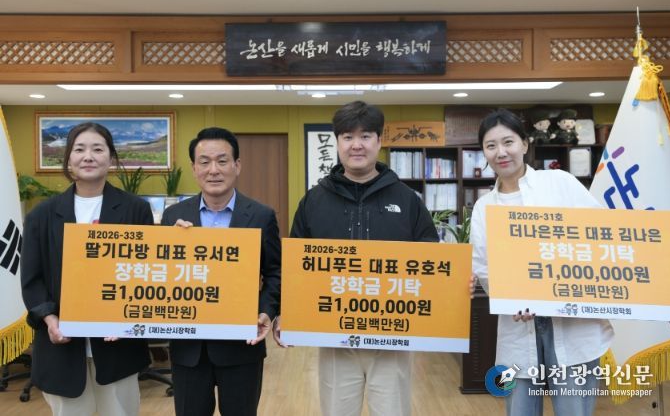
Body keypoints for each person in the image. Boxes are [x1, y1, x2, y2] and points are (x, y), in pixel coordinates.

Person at [275, 101, 438, 416]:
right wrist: (287, 313)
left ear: (379, 140)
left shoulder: (407, 199)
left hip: (393, 337)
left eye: (365, 136)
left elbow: (432, 259)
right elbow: (295, 265)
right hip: (334, 338)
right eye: (348, 137)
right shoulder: (314, 200)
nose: (356, 145)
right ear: (337, 142)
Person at [470, 109, 614, 416]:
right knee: (520, 409)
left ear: (524, 144)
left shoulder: (559, 182)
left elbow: (600, 236)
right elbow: (482, 266)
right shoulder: (484, 207)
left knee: (574, 411)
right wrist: (511, 297)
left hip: (573, 324)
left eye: (508, 142)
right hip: (518, 324)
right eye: (491, 146)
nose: (501, 152)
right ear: (484, 153)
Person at [21, 122, 153, 416]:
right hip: (61, 347)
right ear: (68, 158)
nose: (88, 156)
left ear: (111, 157)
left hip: (119, 349)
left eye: (97, 149)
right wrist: (50, 319)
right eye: (79, 149)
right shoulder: (42, 215)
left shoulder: (136, 210)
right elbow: (32, 279)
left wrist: (126, 316)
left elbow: (146, 272)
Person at [161, 127, 281, 416]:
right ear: (194, 168)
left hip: (242, 345)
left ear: (237, 166)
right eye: (204, 162)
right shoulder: (173, 217)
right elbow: (158, 274)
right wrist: (173, 246)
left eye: (222, 161)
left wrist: (266, 311)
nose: (213, 170)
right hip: (188, 349)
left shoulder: (261, 216)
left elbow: (276, 271)